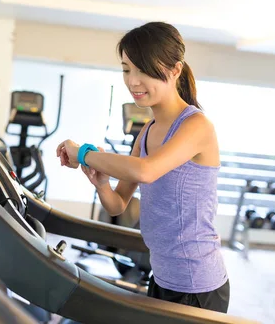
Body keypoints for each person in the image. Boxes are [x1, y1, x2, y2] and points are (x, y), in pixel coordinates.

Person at [56, 22, 230, 313]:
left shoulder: (196, 125)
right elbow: (117, 205)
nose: (133, 81)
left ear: (175, 70)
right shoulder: (148, 131)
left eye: (144, 70)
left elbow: (145, 171)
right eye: (127, 69)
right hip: (161, 276)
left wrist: (82, 153)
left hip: (197, 284)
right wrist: (101, 184)